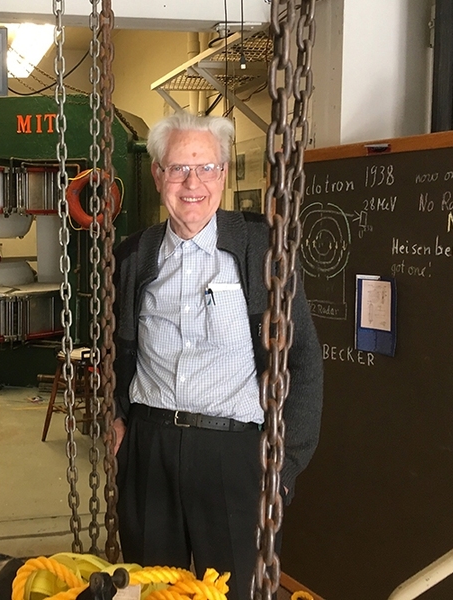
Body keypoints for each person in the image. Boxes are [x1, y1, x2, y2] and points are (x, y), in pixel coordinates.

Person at [111, 112, 323, 600]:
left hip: (235, 454)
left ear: (224, 174)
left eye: (206, 168)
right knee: (152, 590)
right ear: (157, 174)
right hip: (150, 449)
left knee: (233, 592)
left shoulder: (261, 249)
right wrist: (115, 417)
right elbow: (113, 351)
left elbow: (303, 364)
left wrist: (286, 466)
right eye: (179, 169)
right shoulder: (133, 256)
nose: (192, 183)